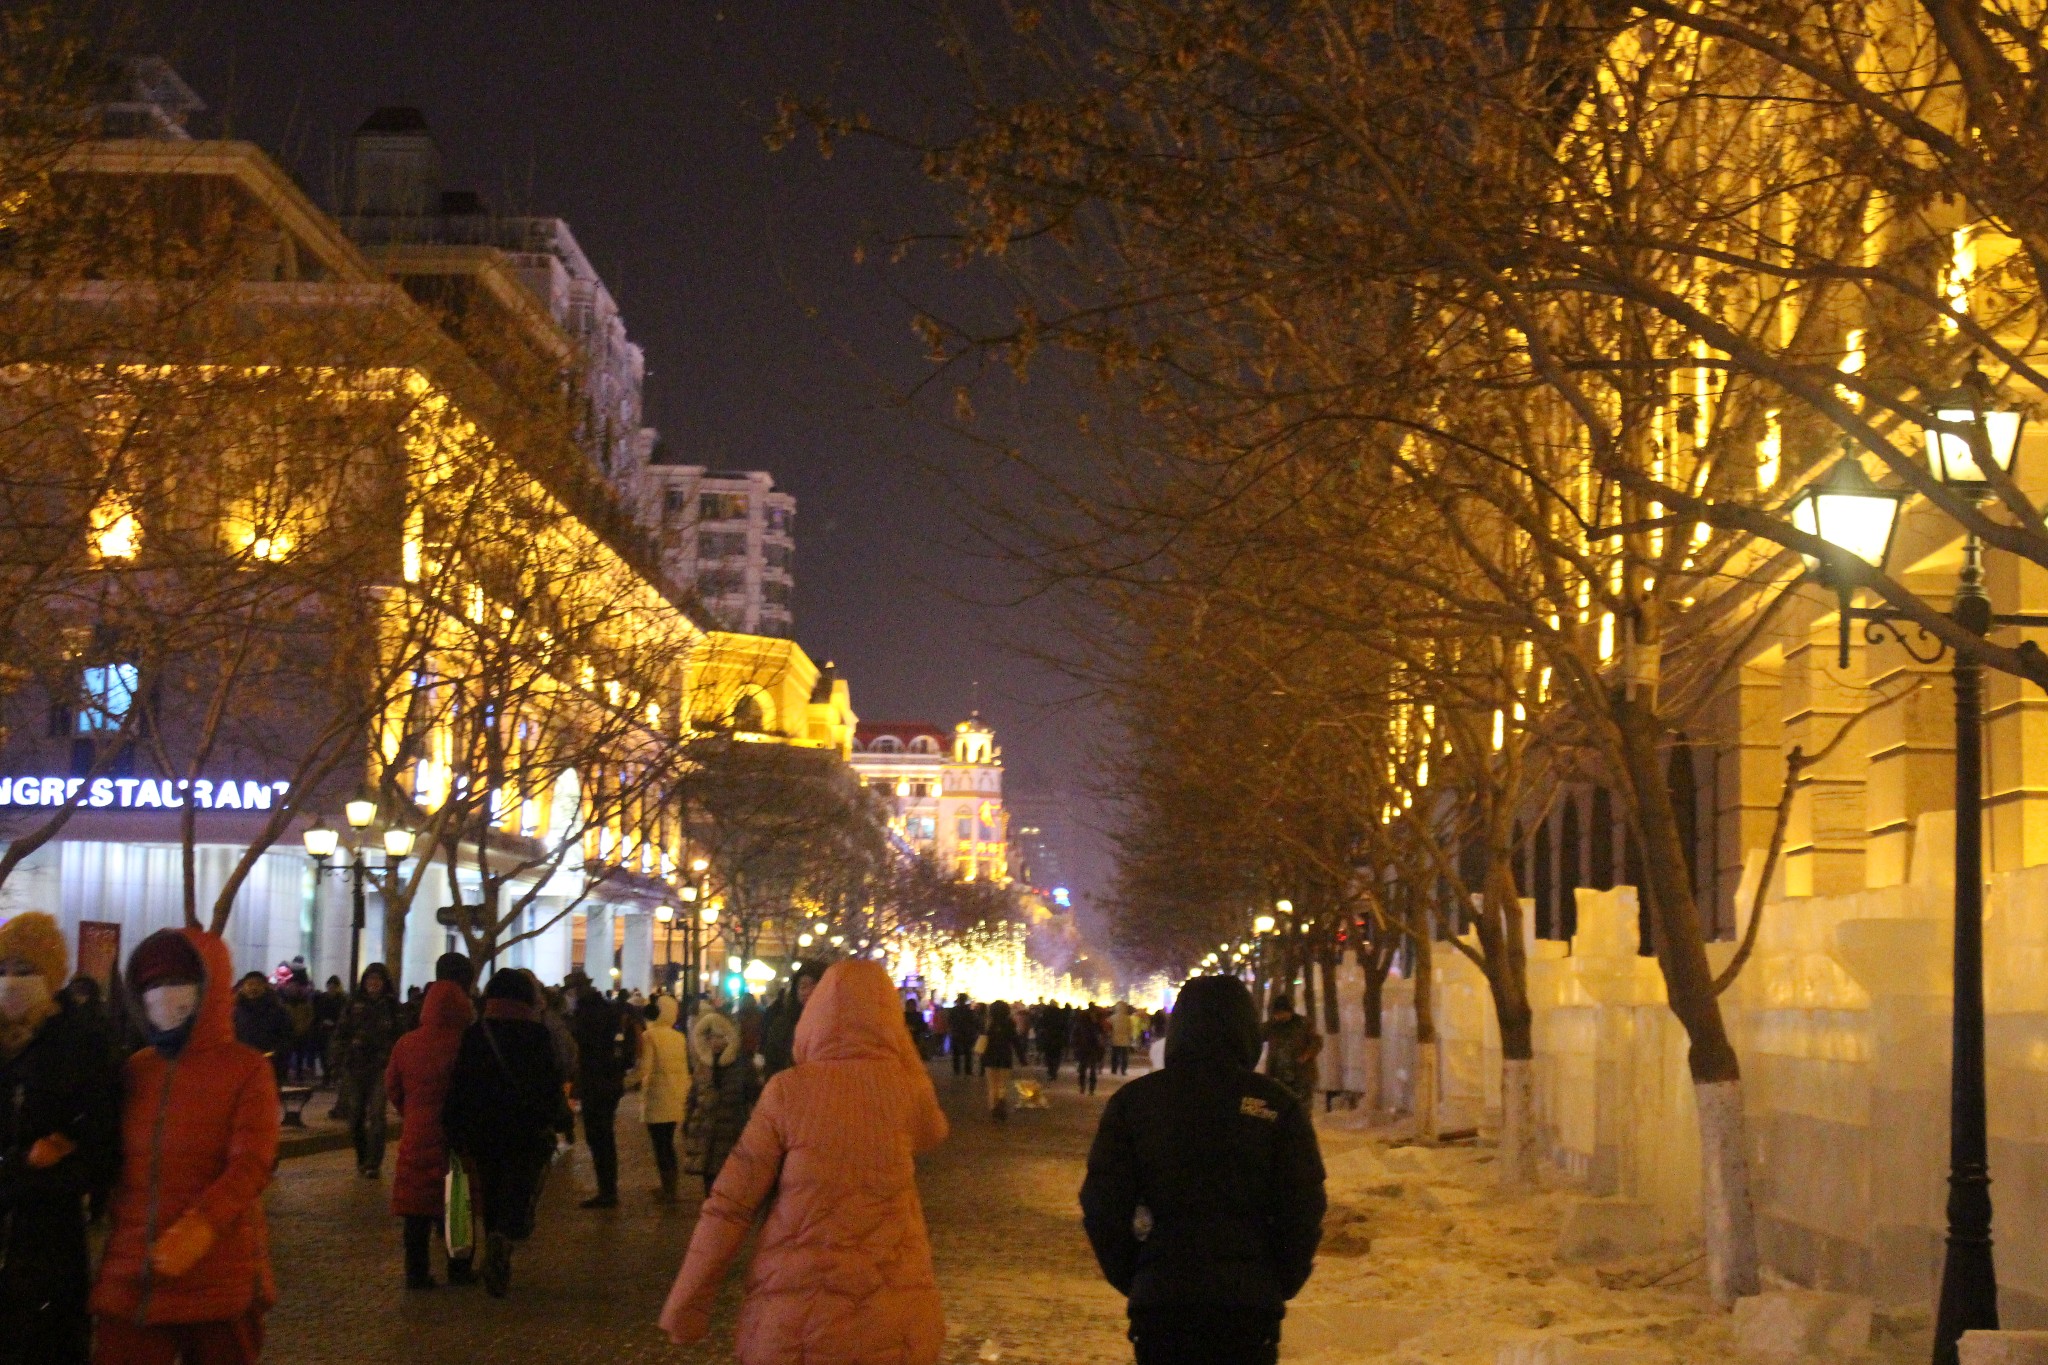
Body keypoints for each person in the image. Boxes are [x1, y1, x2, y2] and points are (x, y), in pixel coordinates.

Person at [659, 959, 948, 1362]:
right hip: (892, 1313)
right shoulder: (907, 1091)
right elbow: (932, 1132)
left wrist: (687, 1304)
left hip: (797, 1314)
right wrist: (900, 1050)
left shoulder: (788, 1092)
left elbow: (730, 1205)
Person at [1080, 974, 1325, 1365]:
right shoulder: (1276, 1106)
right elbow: (1303, 1205)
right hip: (1248, 1303)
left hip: (1163, 1298)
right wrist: (1279, 1279)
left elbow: (1103, 1205)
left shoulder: (1136, 1103)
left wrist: (1137, 1273)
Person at [92, 927, 281, 1364]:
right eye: (152, 986)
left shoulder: (246, 1070)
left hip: (219, 1272)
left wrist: (200, 1228)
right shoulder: (137, 1069)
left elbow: (252, 1164)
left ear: (208, 987)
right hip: (134, 1271)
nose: (163, 995)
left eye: (177, 982)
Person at [0, 912, 121, 1365]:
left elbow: (99, 1149)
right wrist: (25, 1164)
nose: (11, 981)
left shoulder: (80, 1041)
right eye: (3, 969)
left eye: (25, 970)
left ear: (52, 975)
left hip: (47, 1243)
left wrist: (44, 1171)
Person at [443, 969, 564, 1298]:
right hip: (525, 1129)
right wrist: (555, 1119)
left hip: (483, 1129)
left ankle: (494, 1235)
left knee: (492, 1187)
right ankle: (504, 1239)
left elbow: (460, 1084)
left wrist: (454, 1126)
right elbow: (549, 1083)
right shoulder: (536, 1035)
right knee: (518, 1187)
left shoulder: (476, 1033)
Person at [385, 957, 477, 1289]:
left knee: (416, 1207)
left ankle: (416, 1272)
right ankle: (459, 1268)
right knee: (458, 1202)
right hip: (456, 1135)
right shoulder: (468, 1044)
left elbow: (392, 1087)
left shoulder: (406, 1043)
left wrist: (412, 1113)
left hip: (417, 1133)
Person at [333, 962, 403, 1178]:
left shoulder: (392, 1007)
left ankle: (373, 1162)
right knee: (354, 1117)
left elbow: (401, 1037)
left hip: (380, 1068)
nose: (373, 984)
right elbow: (341, 1033)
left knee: (377, 1116)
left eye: (377, 980)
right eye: (369, 979)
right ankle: (362, 1156)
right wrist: (339, 1059)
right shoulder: (353, 1004)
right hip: (355, 1067)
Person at [564, 971, 627, 1209]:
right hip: (609, 1081)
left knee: (598, 1136)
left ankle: (607, 1191)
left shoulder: (586, 1013)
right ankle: (608, 1188)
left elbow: (585, 1049)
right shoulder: (606, 1008)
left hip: (595, 1081)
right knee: (604, 1136)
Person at [684, 999, 752, 1195]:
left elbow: (753, 1098)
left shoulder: (742, 1067)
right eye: (711, 1037)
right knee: (709, 1190)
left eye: (721, 1037)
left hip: (731, 1136)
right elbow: (693, 1098)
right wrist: (689, 1125)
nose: (716, 1042)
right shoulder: (703, 1067)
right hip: (707, 1138)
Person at [635, 995, 691, 1203]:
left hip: (657, 1099)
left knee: (660, 1145)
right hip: (675, 1096)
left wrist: (624, 1082)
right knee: (668, 1143)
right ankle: (671, 1186)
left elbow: (644, 1069)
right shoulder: (680, 1037)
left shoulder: (650, 1036)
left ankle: (667, 1189)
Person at [760, 960, 824, 1080]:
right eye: (803, 986)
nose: (808, 992)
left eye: (815, 985)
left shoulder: (836, 1026)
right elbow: (772, 1065)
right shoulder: (783, 1025)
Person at [231, 971, 295, 1088]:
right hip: (240, 1065)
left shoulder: (277, 1011)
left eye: (257, 984)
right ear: (243, 987)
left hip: (269, 1064)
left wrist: (276, 1055)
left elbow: (287, 1037)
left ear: (265, 987)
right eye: (249, 984)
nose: (253, 988)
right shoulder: (235, 1012)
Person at [1260, 994, 1321, 1111]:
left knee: (1301, 1112)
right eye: (1276, 1014)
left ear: (1289, 1011)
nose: (1279, 1016)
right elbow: (1257, 1035)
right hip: (1278, 1077)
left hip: (1301, 1076)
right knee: (1279, 1112)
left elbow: (1317, 1042)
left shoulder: (1303, 1024)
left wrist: (1306, 1055)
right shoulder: (1273, 1026)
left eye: (1281, 1013)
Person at [979, 1000, 1021, 1120]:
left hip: (990, 1058)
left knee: (992, 1086)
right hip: (1004, 1057)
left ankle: (993, 1109)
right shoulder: (1010, 1024)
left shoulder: (987, 1024)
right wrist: (1021, 1057)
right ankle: (1001, 1106)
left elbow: (982, 1041)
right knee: (1003, 1084)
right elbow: (1015, 1041)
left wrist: (982, 1057)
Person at [1072, 1004, 1106, 1095]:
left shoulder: (1081, 1022)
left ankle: (1084, 1087)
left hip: (1084, 1048)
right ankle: (1090, 1089)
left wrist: (1076, 1045)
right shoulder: (1096, 1023)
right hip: (1092, 1048)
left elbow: (1075, 1035)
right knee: (1091, 1069)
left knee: (1084, 1068)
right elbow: (1101, 1036)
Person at [946, 992, 980, 1077]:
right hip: (967, 1034)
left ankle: (956, 1070)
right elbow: (974, 1022)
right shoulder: (969, 1011)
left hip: (956, 1033)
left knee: (956, 1054)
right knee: (967, 1053)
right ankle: (968, 1070)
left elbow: (950, 1021)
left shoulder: (953, 1010)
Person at [1036, 1001, 1071, 1082]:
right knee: (1057, 1056)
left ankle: (1050, 1070)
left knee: (1049, 1055)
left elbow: (1040, 1024)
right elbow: (1065, 1026)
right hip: (1058, 1038)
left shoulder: (1045, 1013)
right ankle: (1054, 1071)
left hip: (1048, 1038)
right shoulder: (1060, 1014)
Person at [1109, 1001, 1139, 1076]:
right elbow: (1130, 1029)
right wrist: (1130, 1037)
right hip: (1125, 1040)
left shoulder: (1112, 1018)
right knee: (1124, 1056)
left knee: (1115, 1056)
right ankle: (1123, 1070)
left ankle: (1114, 1069)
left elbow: (1109, 1029)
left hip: (1114, 1039)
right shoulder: (1127, 1018)